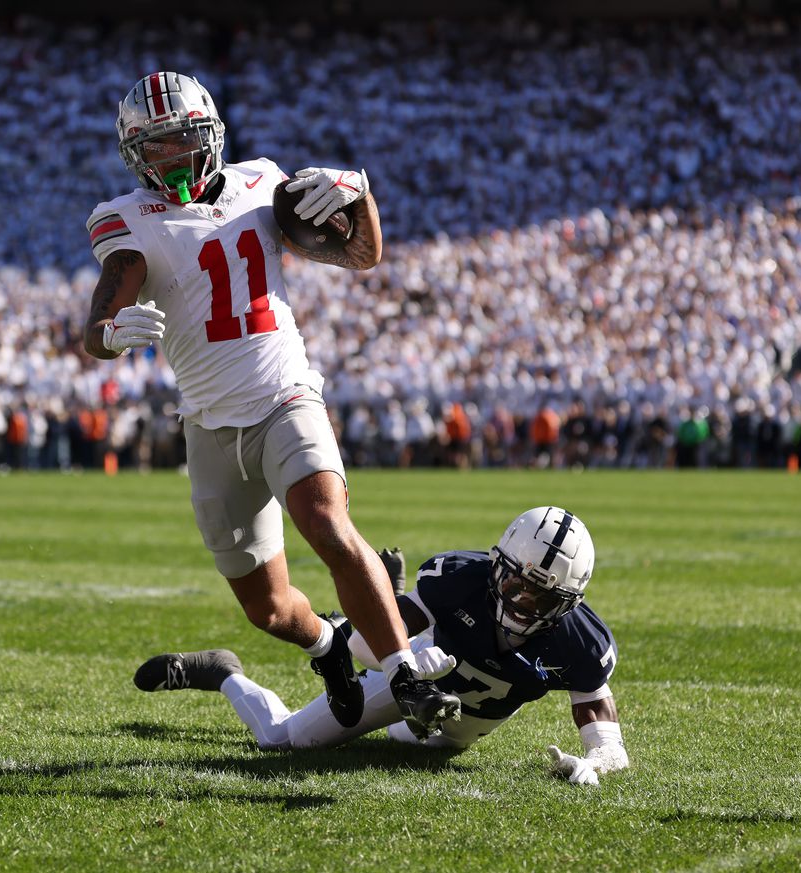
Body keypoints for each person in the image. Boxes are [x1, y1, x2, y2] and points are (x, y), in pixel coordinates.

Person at [83, 71, 459, 739]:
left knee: (326, 520)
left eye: (182, 141)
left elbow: (364, 254)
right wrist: (106, 335)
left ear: (211, 136)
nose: (172, 158)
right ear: (136, 156)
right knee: (271, 609)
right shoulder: (126, 218)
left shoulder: (264, 184)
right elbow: (106, 310)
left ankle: (406, 675)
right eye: (157, 147)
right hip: (209, 425)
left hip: (285, 395)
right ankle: (330, 647)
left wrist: (361, 196)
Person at [135, 506, 629, 786]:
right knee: (282, 742)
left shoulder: (580, 641)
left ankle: (385, 599)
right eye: (516, 583)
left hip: (452, 733)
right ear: (497, 565)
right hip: (409, 686)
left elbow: (609, 744)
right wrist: (410, 661)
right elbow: (367, 646)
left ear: (569, 602)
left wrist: (595, 763)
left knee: (414, 746)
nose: (522, 602)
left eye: (542, 595)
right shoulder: (460, 580)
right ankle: (225, 671)